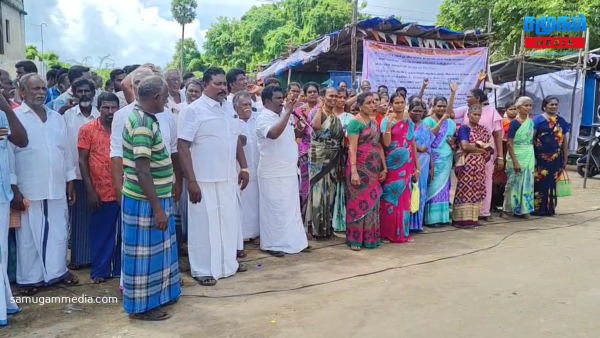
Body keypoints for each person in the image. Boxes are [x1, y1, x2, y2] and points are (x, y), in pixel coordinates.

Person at [177, 67, 249, 286]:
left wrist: (244, 168)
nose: (222, 88)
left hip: (227, 177)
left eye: (224, 84)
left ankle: (228, 264)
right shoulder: (194, 110)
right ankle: (202, 269)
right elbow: (182, 145)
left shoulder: (228, 109)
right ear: (205, 84)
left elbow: (236, 139)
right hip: (203, 179)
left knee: (227, 223)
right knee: (203, 225)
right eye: (217, 84)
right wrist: (191, 181)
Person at [10, 74, 79, 295]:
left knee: (59, 230)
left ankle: (57, 272)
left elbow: (65, 150)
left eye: (42, 88)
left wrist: (70, 180)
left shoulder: (56, 118)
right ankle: (30, 280)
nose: (41, 92)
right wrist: (14, 189)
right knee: (29, 235)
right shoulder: (15, 117)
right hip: (28, 186)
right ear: (22, 92)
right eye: (35, 89)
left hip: (57, 184)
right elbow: (9, 155)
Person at [121, 76, 180, 321]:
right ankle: (143, 306)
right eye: (165, 97)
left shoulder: (146, 117)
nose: (167, 102)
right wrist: (157, 209)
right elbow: (141, 170)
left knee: (160, 252)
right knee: (144, 256)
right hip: (145, 202)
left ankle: (161, 295)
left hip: (155, 197)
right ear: (156, 98)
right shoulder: (142, 124)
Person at [255, 86, 309, 257]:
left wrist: (299, 126)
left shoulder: (283, 116)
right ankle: (273, 244)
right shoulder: (263, 118)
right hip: (273, 172)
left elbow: (291, 137)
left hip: (288, 170)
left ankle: (295, 242)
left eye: (282, 97)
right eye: (278, 98)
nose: (282, 101)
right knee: (275, 209)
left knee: (290, 209)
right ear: (267, 101)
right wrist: (287, 113)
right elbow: (273, 134)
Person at [77, 92, 121, 283]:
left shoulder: (124, 129)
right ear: (99, 108)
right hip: (100, 191)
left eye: (113, 107)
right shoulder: (87, 130)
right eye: (106, 107)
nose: (110, 112)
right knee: (101, 233)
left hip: (123, 189)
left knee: (122, 234)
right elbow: (82, 160)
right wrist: (90, 190)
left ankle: (120, 270)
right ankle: (100, 272)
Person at [63, 77, 100, 270]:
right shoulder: (67, 116)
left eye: (87, 91)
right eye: (80, 92)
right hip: (76, 175)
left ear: (94, 94)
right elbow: (64, 147)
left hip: (100, 176)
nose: (84, 95)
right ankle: (79, 259)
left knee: (97, 217)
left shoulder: (101, 115)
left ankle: (97, 258)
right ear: (75, 94)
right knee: (78, 219)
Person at [452, 88, 503, 220]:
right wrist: (478, 148)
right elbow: (465, 143)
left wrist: (500, 156)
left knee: (484, 182)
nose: (467, 98)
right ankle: (464, 215)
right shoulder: (465, 110)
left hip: (485, 157)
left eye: (469, 96)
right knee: (466, 185)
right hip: (467, 156)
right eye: (474, 115)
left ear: (478, 98)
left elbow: (497, 136)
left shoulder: (492, 111)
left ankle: (483, 212)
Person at [346, 92, 386, 251]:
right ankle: (355, 239)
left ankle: (370, 238)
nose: (373, 105)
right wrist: (354, 171)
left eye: (375, 101)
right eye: (369, 102)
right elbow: (352, 148)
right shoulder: (355, 123)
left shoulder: (375, 122)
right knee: (357, 202)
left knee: (373, 201)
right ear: (360, 105)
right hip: (359, 167)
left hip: (373, 169)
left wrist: (385, 167)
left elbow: (379, 146)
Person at [306, 87, 344, 240]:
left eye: (336, 96)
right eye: (331, 96)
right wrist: (321, 106)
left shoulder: (336, 118)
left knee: (330, 194)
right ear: (323, 97)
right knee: (318, 194)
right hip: (318, 158)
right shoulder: (316, 112)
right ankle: (315, 229)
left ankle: (327, 228)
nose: (334, 99)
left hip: (333, 158)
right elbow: (315, 126)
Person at [379, 93, 415, 243]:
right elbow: (385, 144)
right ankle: (387, 233)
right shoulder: (385, 121)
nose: (400, 105)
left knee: (405, 199)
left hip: (407, 164)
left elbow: (412, 143)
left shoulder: (409, 121)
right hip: (392, 164)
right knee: (389, 198)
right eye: (397, 102)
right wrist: (389, 124)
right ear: (391, 105)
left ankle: (402, 233)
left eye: (402, 102)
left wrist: (417, 168)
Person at [452, 105, 493, 228]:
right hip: (467, 165)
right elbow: (464, 146)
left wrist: (477, 148)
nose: (477, 117)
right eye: (474, 114)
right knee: (464, 190)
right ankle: (460, 220)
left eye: (479, 115)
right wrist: (480, 149)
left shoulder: (484, 129)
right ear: (468, 115)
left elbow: (490, 148)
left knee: (476, 190)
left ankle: (473, 219)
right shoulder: (464, 129)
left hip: (479, 165)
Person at [423, 86, 457, 227]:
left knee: (444, 188)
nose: (442, 109)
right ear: (433, 106)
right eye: (439, 106)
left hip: (447, 158)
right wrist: (441, 120)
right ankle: (431, 219)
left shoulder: (451, 123)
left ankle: (442, 218)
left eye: (444, 106)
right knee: (432, 186)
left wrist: (453, 142)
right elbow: (428, 138)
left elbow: (453, 139)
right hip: (433, 158)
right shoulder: (428, 121)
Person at [533, 95, 571, 216]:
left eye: (556, 104)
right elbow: (532, 139)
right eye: (551, 104)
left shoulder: (561, 121)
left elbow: (564, 140)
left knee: (552, 182)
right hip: (540, 158)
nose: (554, 106)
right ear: (545, 106)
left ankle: (549, 209)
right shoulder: (538, 120)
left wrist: (565, 156)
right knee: (539, 182)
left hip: (556, 157)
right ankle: (537, 209)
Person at [233, 91, 260, 242]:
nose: (248, 107)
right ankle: (241, 237)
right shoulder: (233, 121)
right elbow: (240, 143)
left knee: (255, 202)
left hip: (257, 168)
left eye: (250, 104)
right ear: (236, 107)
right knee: (242, 202)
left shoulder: (257, 119)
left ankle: (255, 233)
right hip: (240, 170)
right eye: (244, 104)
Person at [503, 96, 535, 219]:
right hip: (516, 154)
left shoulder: (531, 123)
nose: (528, 108)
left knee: (527, 182)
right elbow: (509, 144)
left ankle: (523, 209)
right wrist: (515, 162)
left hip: (529, 154)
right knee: (513, 183)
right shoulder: (514, 124)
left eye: (530, 105)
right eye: (525, 105)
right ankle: (506, 210)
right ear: (519, 107)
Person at [408, 98, 434, 232]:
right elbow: (404, 142)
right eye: (415, 110)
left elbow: (430, 149)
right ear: (409, 111)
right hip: (410, 160)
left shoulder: (426, 128)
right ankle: (408, 223)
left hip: (424, 163)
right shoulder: (407, 126)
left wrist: (432, 167)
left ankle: (417, 224)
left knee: (421, 191)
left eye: (420, 111)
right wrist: (417, 148)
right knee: (410, 190)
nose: (417, 113)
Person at [297, 82, 319, 223]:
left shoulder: (322, 108)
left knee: (318, 185)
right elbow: (298, 132)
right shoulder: (300, 110)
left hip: (321, 150)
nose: (312, 94)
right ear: (305, 94)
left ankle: (316, 219)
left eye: (314, 91)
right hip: (305, 151)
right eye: (309, 92)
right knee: (305, 184)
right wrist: (302, 120)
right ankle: (304, 218)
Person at [492, 100, 517, 211]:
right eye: (511, 109)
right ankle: (493, 203)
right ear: (506, 110)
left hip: (515, 152)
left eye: (515, 109)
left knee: (509, 178)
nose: (513, 111)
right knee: (497, 177)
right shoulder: (502, 122)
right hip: (502, 150)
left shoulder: (520, 122)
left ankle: (505, 204)